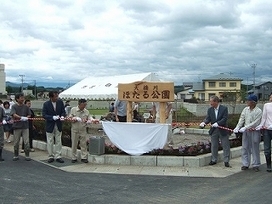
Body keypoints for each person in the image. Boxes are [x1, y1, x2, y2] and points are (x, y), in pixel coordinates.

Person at [233, 94, 262, 172]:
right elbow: (241, 119)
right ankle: (245, 164)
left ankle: (256, 164)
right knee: (245, 147)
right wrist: (237, 127)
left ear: (253, 102)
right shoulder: (245, 109)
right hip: (246, 132)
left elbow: (256, 122)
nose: (247, 102)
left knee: (255, 148)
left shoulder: (258, 111)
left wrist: (246, 127)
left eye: (248, 100)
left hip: (255, 131)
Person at [199, 95, 230, 167]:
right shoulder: (210, 110)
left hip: (222, 129)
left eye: (211, 102)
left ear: (216, 102)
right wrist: (204, 123)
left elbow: (225, 118)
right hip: (214, 130)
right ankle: (214, 159)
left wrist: (218, 123)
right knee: (214, 145)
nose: (210, 103)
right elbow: (208, 118)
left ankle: (226, 161)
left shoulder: (224, 109)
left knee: (225, 145)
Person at [69, 99, 96, 163]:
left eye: (85, 105)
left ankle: (84, 157)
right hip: (75, 129)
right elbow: (69, 118)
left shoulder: (86, 111)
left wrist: (93, 120)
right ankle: (73, 157)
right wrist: (73, 119)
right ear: (80, 104)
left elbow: (89, 117)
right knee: (74, 144)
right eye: (84, 105)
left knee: (83, 144)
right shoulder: (73, 110)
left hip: (83, 129)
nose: (84, 106)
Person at [42, 91, 66, 163]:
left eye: (57, 96)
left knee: (58, 140)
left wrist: (62, 116)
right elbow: (44, 115)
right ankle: (50, 155)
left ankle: (58, 155)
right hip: (50, 124)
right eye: (55, 96)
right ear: (51, 97)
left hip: (58, 124)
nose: (57, 98)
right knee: (50, 141)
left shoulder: (60, 102)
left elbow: (63, 111)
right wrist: (52, 117)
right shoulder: (46, 104)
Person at [10, 93, 31, 161]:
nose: (22, 99)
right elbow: (13, 114)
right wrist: (20, 117)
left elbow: (29, 114)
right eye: (21, 98)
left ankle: (27, 155)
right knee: (16, 142)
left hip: (25, 126)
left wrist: (26, 117)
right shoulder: (14, 106)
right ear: (17, 99)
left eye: (23, 97)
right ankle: (16, 155)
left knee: (26, 142)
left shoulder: (26, 107)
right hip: (17, 126)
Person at [255, 93, 272, 172]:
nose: (270, 97)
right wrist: (261, 125)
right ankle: (268, 165)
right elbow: (264, 117)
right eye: (270, 96)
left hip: (270, 127)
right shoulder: (266, 105)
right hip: (266, 130)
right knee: (267, 148)